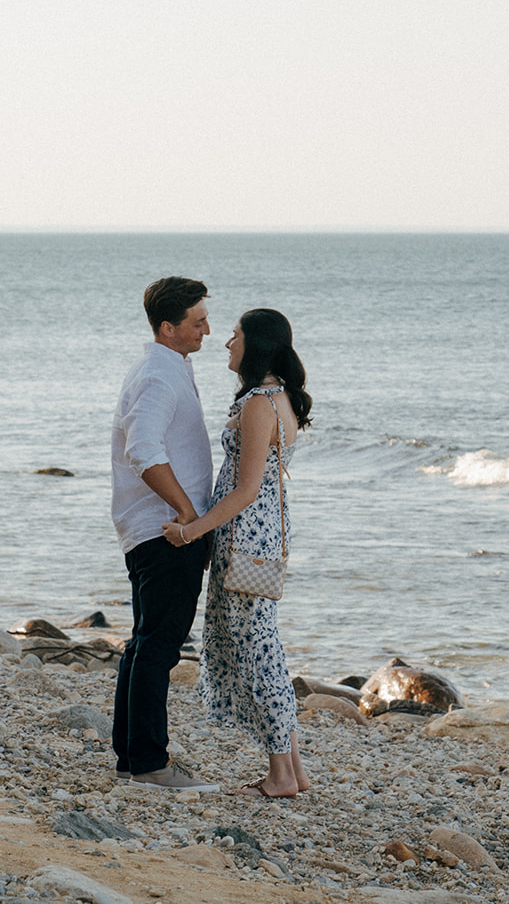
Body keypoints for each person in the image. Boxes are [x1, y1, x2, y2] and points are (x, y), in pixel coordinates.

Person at [161, 308, 313, 798]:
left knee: (256, 652)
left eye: (236, 336)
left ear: (257, 346)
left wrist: (191, 533)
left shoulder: (259, 404)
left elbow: (244, 490)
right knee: (264, 647)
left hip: (245, 534)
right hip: (258, 535)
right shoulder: (276, 397)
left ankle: (281, 776)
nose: (226, 343)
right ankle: (293, 770)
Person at [110, 276, 220, 791]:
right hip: (165, 530)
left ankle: (132, 757)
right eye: (197, 322)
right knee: (159, 646)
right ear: (168, 327)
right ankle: (151, 765)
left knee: (145, 642)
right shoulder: (157, 375)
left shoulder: (169, 367)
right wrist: (187, 515)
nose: (206, 330)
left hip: (159, 527)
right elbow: (144, 449)